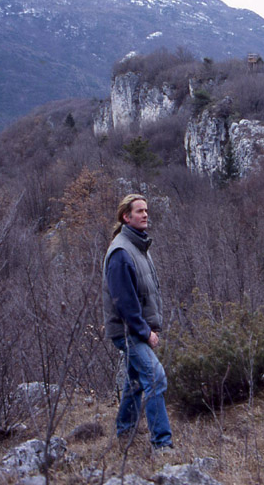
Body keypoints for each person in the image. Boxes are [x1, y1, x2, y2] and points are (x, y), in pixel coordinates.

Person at [103, 193, 173, 451]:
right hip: (128, 330)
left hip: (136, 328)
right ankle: (162, 445)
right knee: (155, 378)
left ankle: (124, 432)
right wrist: (146, 333)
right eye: (140, 211)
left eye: (146, 210)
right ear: (126, 216)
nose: (145, 215)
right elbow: (124, 304)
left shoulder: (139, 246)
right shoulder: (121, 252)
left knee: (134, 381)